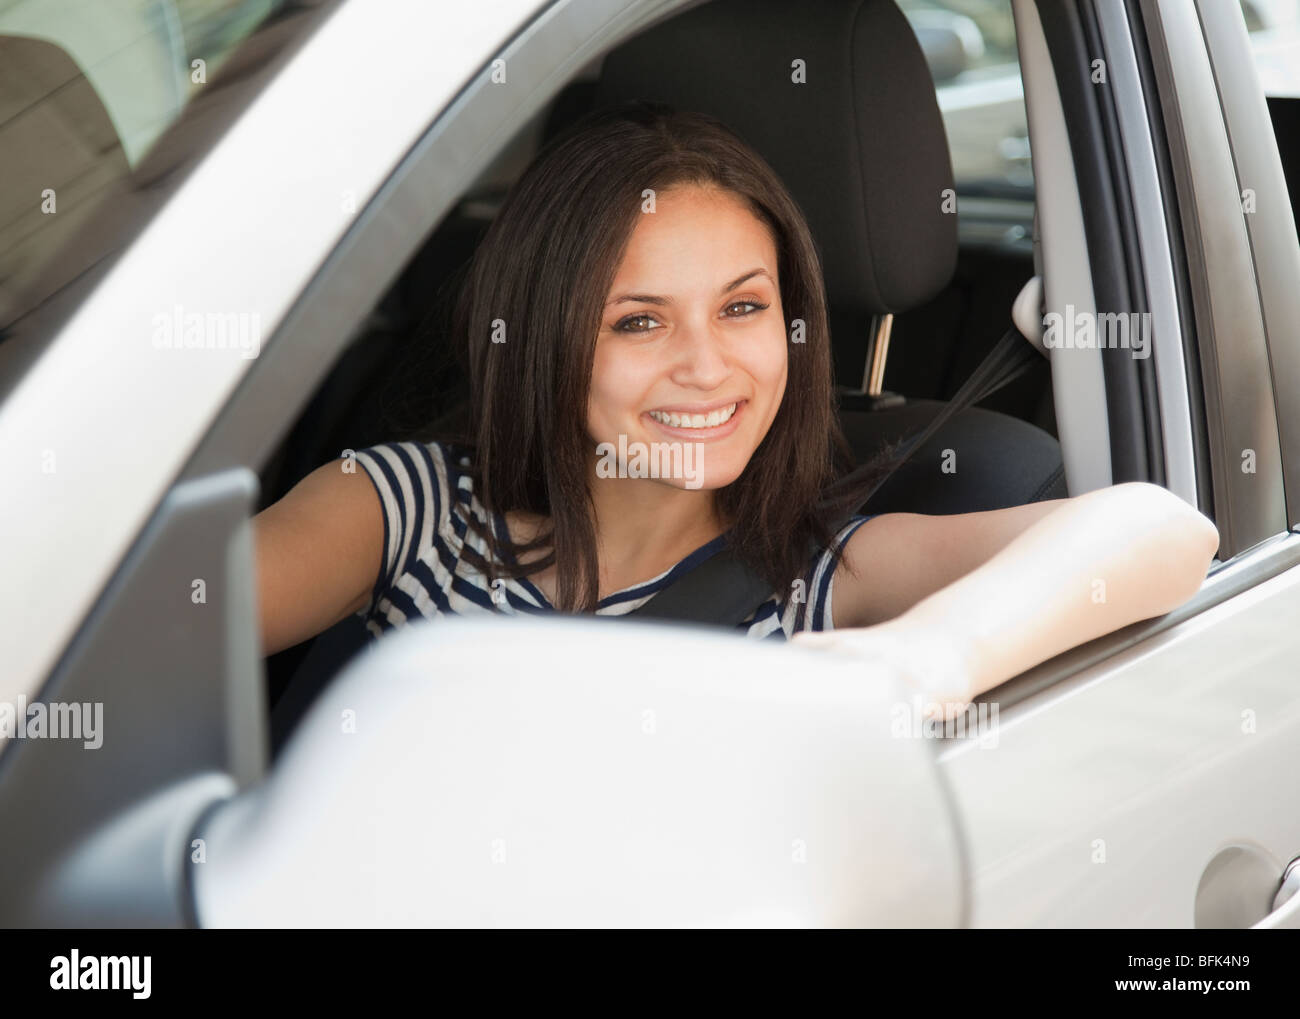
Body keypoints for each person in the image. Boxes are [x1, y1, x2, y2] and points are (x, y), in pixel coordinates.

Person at [253, 102, 1219, 713]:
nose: (707, 367)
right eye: (638, 323)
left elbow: (1163, 528)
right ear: (545, 341)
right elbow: (152, 622)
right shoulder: (407, 509)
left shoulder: (809, 579)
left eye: (744, 308)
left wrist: (926, 656)